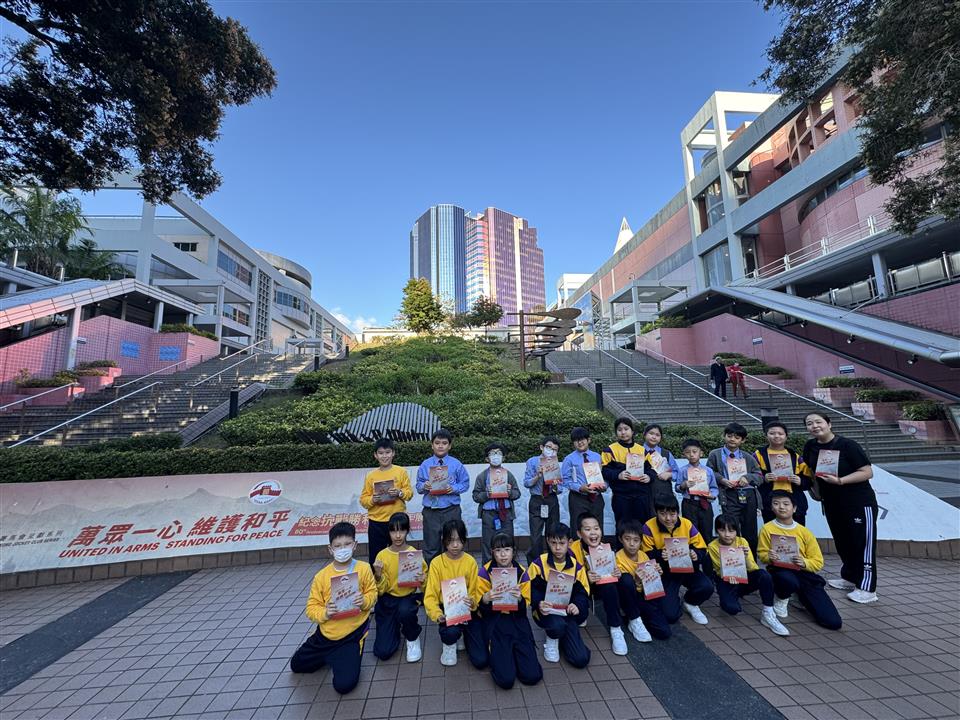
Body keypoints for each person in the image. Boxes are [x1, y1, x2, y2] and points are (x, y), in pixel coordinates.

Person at [289, 521, 377, 694]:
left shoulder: (364, 568)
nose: (342, 549)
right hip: (325, 636)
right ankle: (328, 655)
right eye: (337, 546)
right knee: (297, 665)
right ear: (330, 549)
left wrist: (364, 601)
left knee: (344, 686)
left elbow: (373, 593)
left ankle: (345, 654)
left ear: (355, 545)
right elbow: (311, 608)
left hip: (351, 635)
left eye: (347, 544)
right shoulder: (321, 576)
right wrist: (325, 613)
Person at [801, 411, 878, 604]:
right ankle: (850, 577)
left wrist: (841, 481)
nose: (814, 426)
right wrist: (816, 492)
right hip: (832, 502)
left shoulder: (847, 445)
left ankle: (868, 588)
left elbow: (867, 472)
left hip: (858, 502)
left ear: (829, 424)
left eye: (818, 422)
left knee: (862, 544)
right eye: (809, 423)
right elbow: (811, 473)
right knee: (843, 542)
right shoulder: (810, 446)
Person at [758, 491, 843, 630]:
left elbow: (818, 562)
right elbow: (762, 554)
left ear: (794, 508)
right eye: (776, 503)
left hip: (804, 574)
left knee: (833, 622)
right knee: (788, 580)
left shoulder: (804, 532)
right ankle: (782, 597)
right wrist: (769, 557)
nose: (781, 507)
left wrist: (804, 562)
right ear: (772, 508)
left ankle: (797, 595)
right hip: (780, 571)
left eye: (786, 504)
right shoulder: (767, 529)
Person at [569, 513, 647, 654]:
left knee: (623, 578)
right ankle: (616, 627)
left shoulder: (605, 549)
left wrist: (617, 572)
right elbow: (567, 581)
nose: (593, 533)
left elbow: (612, 573)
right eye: (587, 529)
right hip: (581, 590)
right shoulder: (572, 551)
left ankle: (632, 620)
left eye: (596, 528)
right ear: (579, 534)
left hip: (603, 587)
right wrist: (585, 578)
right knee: (606, 586)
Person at [477, 533, 543, 689]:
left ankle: (513, 654)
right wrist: (485, 599)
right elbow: (479, 607)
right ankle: (501, 654)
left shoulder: (522, 573)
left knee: (532, 676)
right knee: (505, 680)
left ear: (514, 551)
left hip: (517, 620)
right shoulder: (484, 573)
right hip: (496, 621)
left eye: (507, 549)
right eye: (498, 550)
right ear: (492, 552)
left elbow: (526, 604)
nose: (503, 554)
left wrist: (520, 600)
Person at [707, 514, 789, 636]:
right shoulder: (712, 546)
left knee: (763, 575)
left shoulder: (742, 541)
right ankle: (731, 596)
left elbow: (753, 568)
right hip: (725, 580)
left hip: (743, 577)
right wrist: (731, 574)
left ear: (737, 530)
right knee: (732, 609)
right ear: (716, 530)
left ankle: (768, 612)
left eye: (731, 530)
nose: (727, 534)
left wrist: (745, 557)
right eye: (722, 530)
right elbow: (719, 570)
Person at [423, 519, 489, 668]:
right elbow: (430, 596)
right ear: (443, 540)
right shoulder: (436, 563)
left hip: (467, 610)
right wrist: (437, 614)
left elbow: (475, 590)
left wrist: (472, 602)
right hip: (447, 611)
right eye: (450, 540)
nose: (455, 545)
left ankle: (463, 634)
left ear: (464, 540)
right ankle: (449, 644)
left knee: (481, 661)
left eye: (459, 540)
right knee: (450, 632)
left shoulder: (470, 561)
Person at [525, 522, 591, 667]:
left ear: (570, 543)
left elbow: (583, 592)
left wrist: (577, 605)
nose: (557, 548)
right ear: (547, 541)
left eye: (562, 543)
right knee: (556, 626)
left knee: (581, 659)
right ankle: (552, 639)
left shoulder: (577, 567)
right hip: (546, 612)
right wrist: (538, 603)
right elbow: (528, 588)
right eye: (553, 543)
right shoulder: (538, 564)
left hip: (567, 613)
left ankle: (562, 636)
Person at [641, 496, 713, 625]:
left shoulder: (687, 524)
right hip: (665, 573)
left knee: (706, 587)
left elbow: (702, 548)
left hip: (687, 569)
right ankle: (673, 600)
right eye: (663, 514)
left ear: (678, 512)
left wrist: (696, 554)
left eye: (672, 514)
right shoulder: (648, 527)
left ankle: (691, 602)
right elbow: (645, 554)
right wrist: (659, 555)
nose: (668, 518)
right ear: (656, 513)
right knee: (670, 615)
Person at [371, 512, 427, 663]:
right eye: (393, 531)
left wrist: (423, 580)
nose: (397, 535)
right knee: (383, 652)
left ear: (407, 531)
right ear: (388, 532)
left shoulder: (413, 553)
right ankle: (394, 626)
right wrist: (378, 575)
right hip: (388, 600)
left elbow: (425, 587)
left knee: (405, 611)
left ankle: (412, 637)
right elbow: (381, 591)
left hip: (407, 598)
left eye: (401, 530)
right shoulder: (382, 555)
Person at [707, 422, 763, 557]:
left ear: (743, 440)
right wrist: (721, 479)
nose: (732, 439)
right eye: (729, 436)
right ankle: (732, 561)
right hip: (728, 494)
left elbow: (759, 476)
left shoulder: (747, 457)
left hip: (748, 494)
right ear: (724, 436)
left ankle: (751, 561)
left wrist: (747, 477)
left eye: (737, 437)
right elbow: (708, 472)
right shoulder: (715, 454)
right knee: (730, 528)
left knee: (750, 529)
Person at [416, 429, 471, 563]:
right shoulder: (425, 464)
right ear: (432, 445)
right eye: (437, 443)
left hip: (451, 510)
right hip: (431, 512)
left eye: (444, 443)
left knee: (453, 544)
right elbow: (418, 486)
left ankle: (453, 574)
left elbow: (465, 483)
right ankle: (432, 573)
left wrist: (453, 488)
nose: (440, 446)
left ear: (449, 446)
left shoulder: (456, 464)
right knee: (431, 546)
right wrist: (424, 486)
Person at [615, 519, 671, 640]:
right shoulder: (617, 558)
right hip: (629, 599)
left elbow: (650, 586)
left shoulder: (643, 555)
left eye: (636, 540)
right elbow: (624, 588)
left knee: (664, 632)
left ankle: (641, 618)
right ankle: (633, 617)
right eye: (627, 539)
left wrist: (657, 574)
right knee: (626, 579)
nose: (632, 544)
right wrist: (636, 581)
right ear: (620, 539)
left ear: (641, 541)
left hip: (644, 597)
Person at [359, 438, 414, 564]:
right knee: (376, 556)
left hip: (397, 520)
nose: (384, 456)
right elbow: (363, 500)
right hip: (376, 521)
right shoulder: (371, 476)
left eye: (388, 452)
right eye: (381, 453)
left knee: (400, 555)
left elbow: (409, 494)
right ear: (375, 455)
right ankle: (377, 577)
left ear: (393, 453)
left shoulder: (401, 472)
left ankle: (401, 576)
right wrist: (372, 499)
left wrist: (399, 493)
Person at [601, 417, 653, 535]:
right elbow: (604, 470)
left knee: (643, 526)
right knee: (622, 526)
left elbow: (651, 469)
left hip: (641, 496)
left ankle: (644, 547)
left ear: (632, 431)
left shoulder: (642, 450)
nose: (623, 432)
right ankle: (621, 547)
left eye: (626, 429)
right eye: (619, 430)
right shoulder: (609, 450)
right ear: (616, 433)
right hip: (621, 496)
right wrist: (617, 475)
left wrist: (649, 477)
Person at [472, 442, 522, 564]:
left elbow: (517, 493)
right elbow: (475, 496)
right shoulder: (482, 476)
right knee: (488, 543)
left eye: (498, 453)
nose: (495, 456)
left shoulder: (508, 475)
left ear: (503, 458)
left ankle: (509, 569)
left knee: (508, 542)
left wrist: (510, 492)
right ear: (487, 458)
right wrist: (486, 494)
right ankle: (487, 571)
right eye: (492, 454)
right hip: (489, 515)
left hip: (506, 513)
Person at [755, 422, 810, 525]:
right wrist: (764, 478)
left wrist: (800, 481)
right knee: (772, 530)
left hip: (794, 500)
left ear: (786, 436)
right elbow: (752, 476)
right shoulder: (758, 455)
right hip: (769, 501)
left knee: (797, 531)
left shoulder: (794, 455)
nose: (776, 436)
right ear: (766, 436)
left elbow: (808, 479)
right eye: (772, 433)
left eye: (780, 433)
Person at [561, 426, 607, 539]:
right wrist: (579, 487)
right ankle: (577, 549)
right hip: (578, 498)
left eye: (582, 439)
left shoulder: (598, 457)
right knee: (577, 526)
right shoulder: (569, 459)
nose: (579, 442)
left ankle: (597, 549)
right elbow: (565, 480)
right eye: (576, 440)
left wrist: (604, 486)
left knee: (597, 526)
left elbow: (605, 476)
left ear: (588, 440)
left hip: (596, 497)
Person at [523, 436, 563, 564]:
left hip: (551, 499)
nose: (551, 451)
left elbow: (560, 489)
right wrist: (538, 476)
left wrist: (555, 485)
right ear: (542, 447)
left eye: (555, 449)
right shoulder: (532, 461)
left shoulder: (556, 463)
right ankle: (535, 564)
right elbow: (527, 483)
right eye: (549, 447)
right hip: (537, 500)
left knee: (553, 533)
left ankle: (553, 561)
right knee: (535, 535)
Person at [675, 438, 719, 544]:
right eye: (687, 452)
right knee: (691, 530)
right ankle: (694, 552)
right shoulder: (682, 470)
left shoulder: (708, 471)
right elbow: (677, 487)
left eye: (694, 451)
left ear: (701, 453)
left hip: (705, 503)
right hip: (689, 503)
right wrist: (683, 485)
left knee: (707, 530)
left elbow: (714, 487)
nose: (691, 455)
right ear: (684, 455)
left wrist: (712, 495)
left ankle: (707, 552)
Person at [639, 424, 680, 513]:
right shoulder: (637, 451)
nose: (654, 437)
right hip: (643, 492)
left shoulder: (666, 454)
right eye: (651, 433)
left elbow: (678, 473)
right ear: (644, 434)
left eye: (657, 435)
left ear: (661, 438)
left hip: (664, 492)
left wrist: (669, 474)